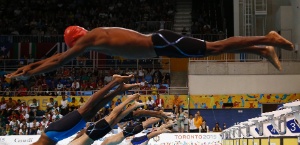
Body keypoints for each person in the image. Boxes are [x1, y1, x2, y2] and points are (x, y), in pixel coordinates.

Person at [6, 26, 294, 80]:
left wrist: (29, 71)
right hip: (161, 46)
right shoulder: (93, 36)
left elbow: (59, 60)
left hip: (162, 44)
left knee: (214, 47)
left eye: (73, 46)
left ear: (75, 39)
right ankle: (261, 50)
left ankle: (266, 39)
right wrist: (26, 69)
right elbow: (55, 58)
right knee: (213, 50)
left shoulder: (91, 38)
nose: (74, 51)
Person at [9, 74, 137, 145]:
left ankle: (115, 81)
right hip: (58, 136)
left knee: (87, 108)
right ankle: (119, 89)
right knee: (91, 112)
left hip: (53, 133)